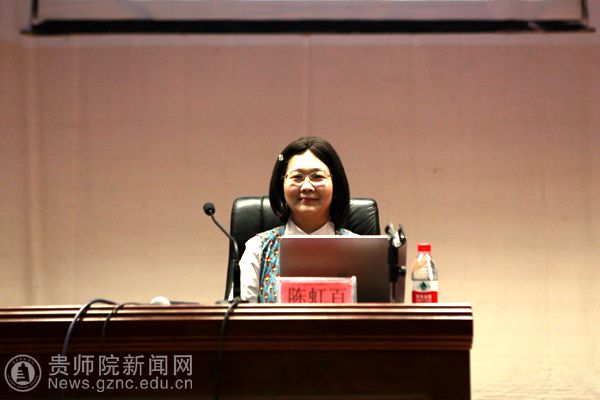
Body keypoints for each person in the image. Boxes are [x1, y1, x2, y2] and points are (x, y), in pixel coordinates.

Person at [239, 136, 355, 302]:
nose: (307, 187)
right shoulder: (258, 249)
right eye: (297, 177)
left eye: (317, 176)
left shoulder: (358, 250)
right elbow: (240, 316)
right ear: (282, 184)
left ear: (335, 183)